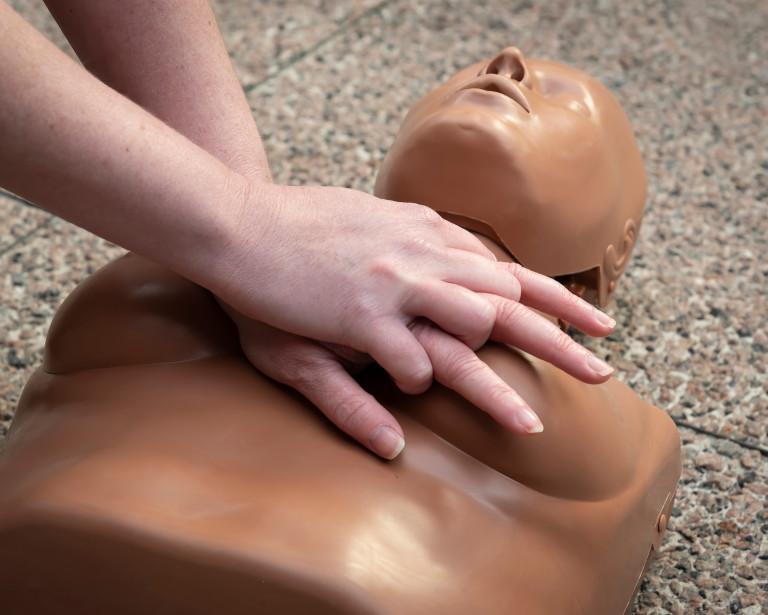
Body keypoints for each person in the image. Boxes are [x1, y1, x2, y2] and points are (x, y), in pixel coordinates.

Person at [0, 0, 616, 458]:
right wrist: (247, 226)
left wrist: (245, 230)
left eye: (561, 96)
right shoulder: (154, 282)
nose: (506, 65)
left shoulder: (557, 407)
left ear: (605, 266)